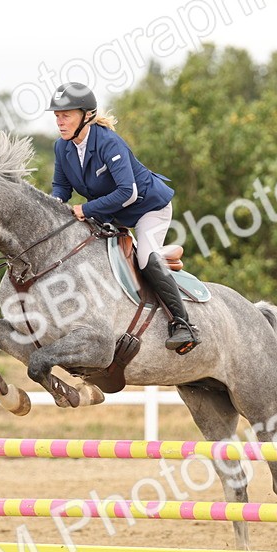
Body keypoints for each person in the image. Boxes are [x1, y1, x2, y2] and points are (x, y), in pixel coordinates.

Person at [48, 81, 198, 354]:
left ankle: (183, 324)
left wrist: (87, 209)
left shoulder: (108, 142)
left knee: (145, 259)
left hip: (148, 208)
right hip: (112, 213)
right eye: (57, 115)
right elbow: (61, 188)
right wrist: (52, 205)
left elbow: (127, 193)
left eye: (66, 115)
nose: (60, 121)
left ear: (86, 116)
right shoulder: (62, 147)